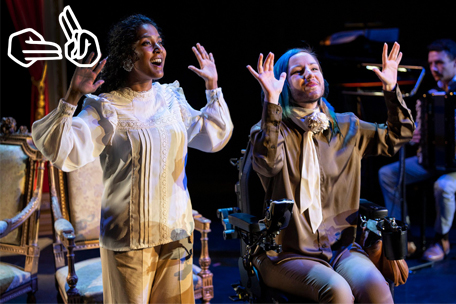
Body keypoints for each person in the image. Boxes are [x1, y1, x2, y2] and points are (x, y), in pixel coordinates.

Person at [31, 14, 233, 303]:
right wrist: (73, 96)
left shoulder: (171, 99)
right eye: (147, 43)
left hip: (176, 233)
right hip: (129, 239)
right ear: (127, 56)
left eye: (160, 43)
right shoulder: (107, 108)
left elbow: (213, 136)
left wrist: (212, 87)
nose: (158, 49)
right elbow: (61, 149)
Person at [246, 42, 414, 303]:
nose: (309, 74)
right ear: (284, 84)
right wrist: (271, 102)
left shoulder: (347, 126)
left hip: (342, 249)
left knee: (377, 289)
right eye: (298, 72)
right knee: (337, 292)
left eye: (314, 68)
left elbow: (397, 136)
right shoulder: (270, 131)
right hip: (285, 254)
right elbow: (267, 164)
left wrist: (391, 90)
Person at [378, 39, 456, 262]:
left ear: (455, 63)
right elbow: (419, 128)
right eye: (431, 63)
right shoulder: (431, 95)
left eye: (440, 62)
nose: (434, 68)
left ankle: (441, 241)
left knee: (443, 186)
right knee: (387, 173)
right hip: (432, 161)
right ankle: (403, 239)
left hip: (453, 169)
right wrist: (417, 135)